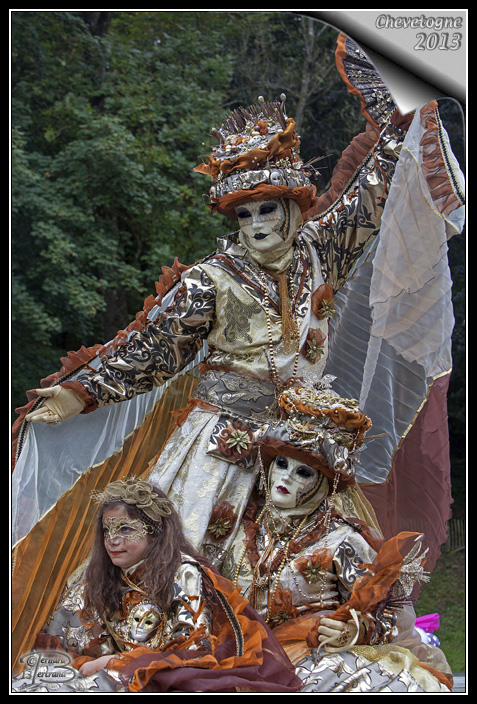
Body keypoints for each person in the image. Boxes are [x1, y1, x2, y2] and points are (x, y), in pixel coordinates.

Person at [12, 34, 464, 668]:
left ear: (292, 208)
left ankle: (293, 658)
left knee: (320, 571)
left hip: (302, 448)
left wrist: (405, 112)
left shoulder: (322, 251)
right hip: (218, 450)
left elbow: (373, 190)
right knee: (187, 566)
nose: (256, 226)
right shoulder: (210, 281)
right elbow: (153, 349)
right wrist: (80, 391)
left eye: (268, 210)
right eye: (244, 214)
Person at [208, 384, 454, 692]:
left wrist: (353, 630)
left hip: (311, 657)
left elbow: (389, 611)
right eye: (281, 463)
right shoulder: (236, 526)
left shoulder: (341, 540)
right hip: (234, 653)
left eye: (303, 473)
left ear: (325, 484)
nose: (286, 476)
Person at [12, 479, 302, 693]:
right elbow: (63, 637)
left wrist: (115, 662)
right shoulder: (101, 575)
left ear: (155, 532)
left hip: (165, 680)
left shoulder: (183, 573)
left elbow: (196, 648)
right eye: (107, 531)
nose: (113, 540)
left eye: (126, 529)